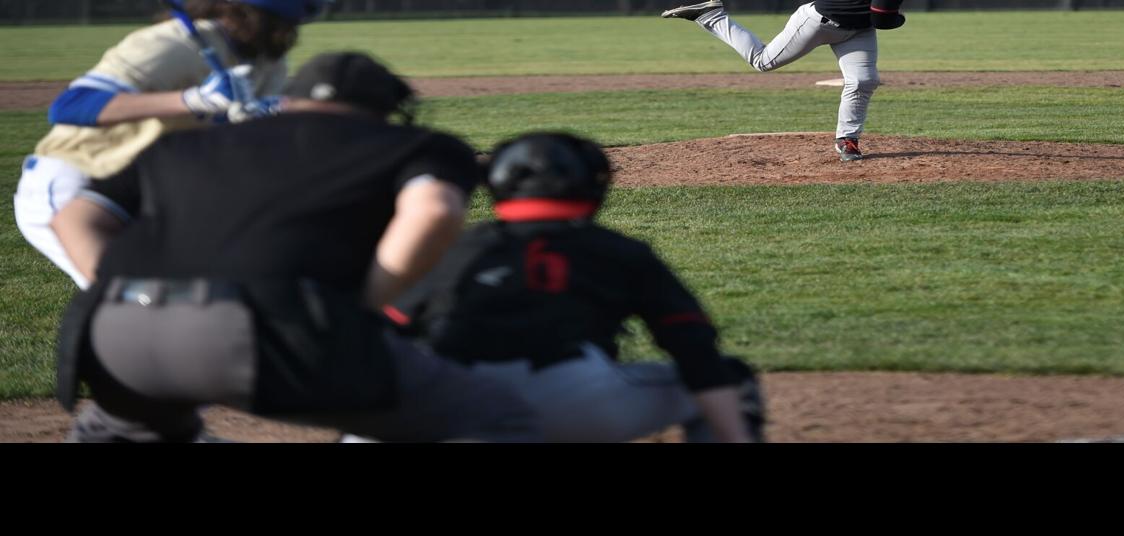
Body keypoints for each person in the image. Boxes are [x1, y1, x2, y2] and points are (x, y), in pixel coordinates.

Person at [49, 52, 539, 443]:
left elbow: (73, 215)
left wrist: (117, 286)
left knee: (129, 432)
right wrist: (365, 302)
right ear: (385, 108)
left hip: (112, 334)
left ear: (288, 100)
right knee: (495, 418)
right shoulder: (413, 144)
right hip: (264, 329)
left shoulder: (184, 145)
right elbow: (434, 209)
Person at [381, 132, 765, 443]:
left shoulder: (454, 248)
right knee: (734, 377)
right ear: (590, 187)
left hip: (454, 403)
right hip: (577, 404)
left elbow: (382, 334)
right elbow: (693, 348)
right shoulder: (619, 251)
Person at [14, 0, 322, 290]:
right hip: (76, 183)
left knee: (196, 293)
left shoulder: (269, 61)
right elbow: (72, 106)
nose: (291, 30)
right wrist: (191, 100)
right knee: (126, 299)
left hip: (146, 190)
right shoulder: (172, 44)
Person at [659, 0, 907, 162]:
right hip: (817, 23)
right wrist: (899, 19)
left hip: (859, 31)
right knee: (763, 61)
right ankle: (712, 15)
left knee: (863, 80)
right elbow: (883, 20)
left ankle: (848, 140)